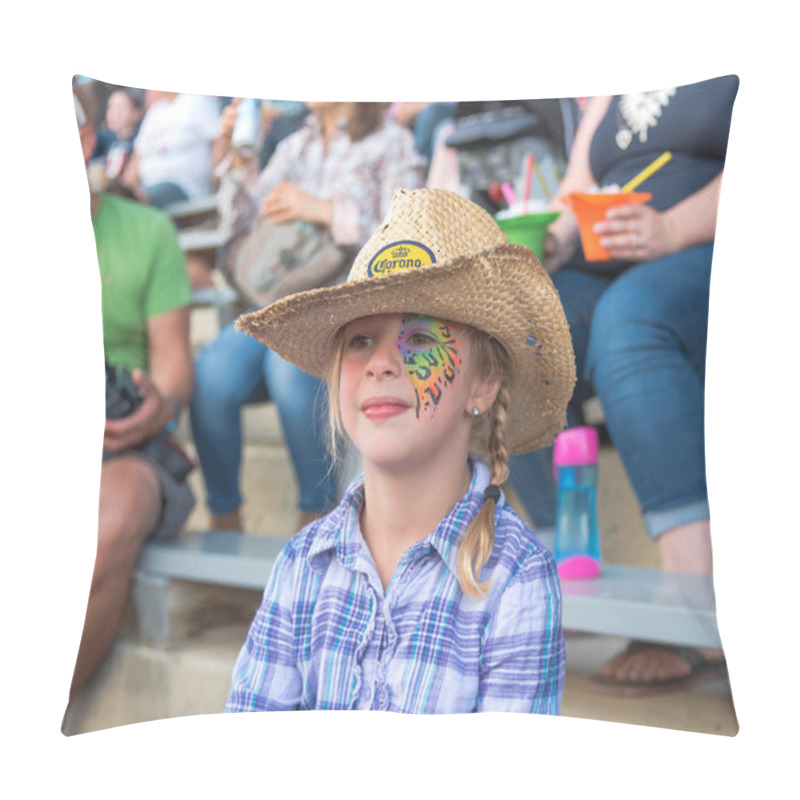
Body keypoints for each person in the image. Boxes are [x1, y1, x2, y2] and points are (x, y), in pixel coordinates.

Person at [225, 187, 575, 713]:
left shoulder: (514, 577)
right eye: (361, 340)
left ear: (482, 384)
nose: (380, 363)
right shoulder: (302, 565)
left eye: (417, 340)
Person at [507, 75, 739, 693]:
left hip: (710, 246)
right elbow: (575, 192)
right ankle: (561, 565)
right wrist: (539, 242)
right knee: (515, 330)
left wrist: (668, 229)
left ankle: (694, 600)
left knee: (629, 323)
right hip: (602, 261)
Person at [190, 102, 424, 533]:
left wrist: (324, 211)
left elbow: (407, 238)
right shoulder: (294, 142)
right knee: (211, 372)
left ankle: (316, 518)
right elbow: (236, 229)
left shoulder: (393, 142)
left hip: (347, 310)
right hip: (278, 302)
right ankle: (224, 517)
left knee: (287, 364)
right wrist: (238, 158)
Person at [67, 87, 195, 702]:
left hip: (130, 449)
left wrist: (155, 408)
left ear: (85, 141)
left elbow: (174, 373)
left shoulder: (146, 230)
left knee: (102, 526)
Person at [119, 90, 222, 208]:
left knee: (134, 201)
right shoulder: (155, 111)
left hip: (185, 187)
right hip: (149, 187)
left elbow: (219, 140)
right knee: (119, 200)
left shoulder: (197, 100)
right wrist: (124, 190)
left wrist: (217, 183)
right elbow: (137, 155)